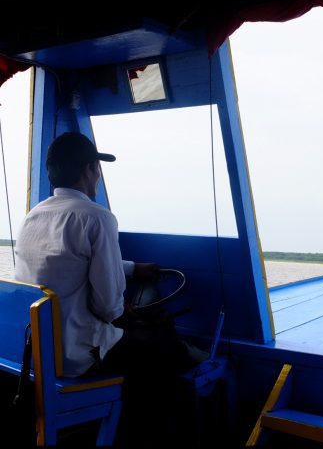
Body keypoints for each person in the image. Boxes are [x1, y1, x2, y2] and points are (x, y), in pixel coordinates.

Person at [14, 131, 200, 445]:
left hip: (36, 352)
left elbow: (67, 262)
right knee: (168, 354)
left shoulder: (34, 216)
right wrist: (123, 308)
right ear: (90, 170)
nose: (98, 176)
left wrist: (130, 268)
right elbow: (108, 308)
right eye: (97, 169)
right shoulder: (97, 218)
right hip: (76, 356)